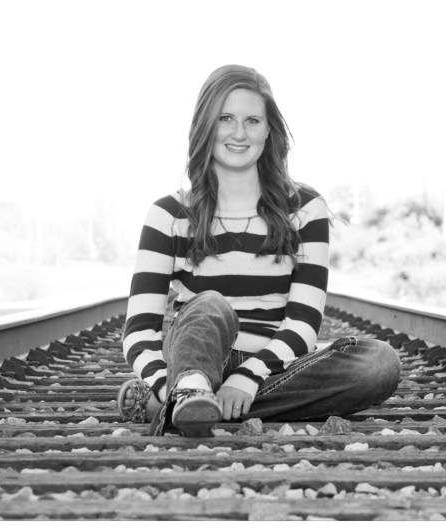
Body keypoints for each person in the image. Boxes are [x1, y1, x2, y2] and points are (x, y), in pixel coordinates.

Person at [119, 64, 401, 437]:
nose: (239, 133)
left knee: (379, 364)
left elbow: (303, 323)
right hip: (196, 355)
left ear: (268, 130)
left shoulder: (304, 209)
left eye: (252, 120)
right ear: (205, 125)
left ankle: (186, 407)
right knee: (210, 304)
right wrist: (164, 381)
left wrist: (248, 377)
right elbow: (140, 330)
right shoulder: (168, 214)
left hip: (273, 366)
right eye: (225, 118)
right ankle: (189, 391)